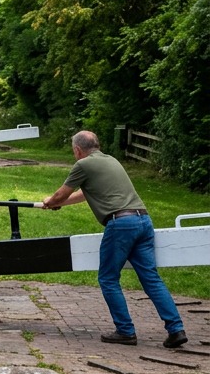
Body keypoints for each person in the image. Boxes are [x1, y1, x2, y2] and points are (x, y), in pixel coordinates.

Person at [42, 130, 187, 348]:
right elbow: (84, 194)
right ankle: (176, 329)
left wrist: (51, 201)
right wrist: (58, 203)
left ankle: (125, 331)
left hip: (121, 224)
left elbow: (61, 194)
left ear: (77, 150)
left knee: (108, 278)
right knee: (151, 278)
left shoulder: (83, 165)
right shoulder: (110, 160)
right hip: (143, 221)